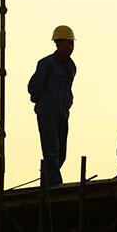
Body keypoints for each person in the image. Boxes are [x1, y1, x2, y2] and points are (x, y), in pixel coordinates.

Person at [27, 25, 76, 187]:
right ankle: (54, 185)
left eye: (71, 43)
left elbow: (67, 90)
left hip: (62, 115)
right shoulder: (46, 64)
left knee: (61, 154)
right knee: (51, 152)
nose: (70, 47)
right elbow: (33, 87)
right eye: (66, 43)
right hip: (47, 114)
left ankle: (48, 181)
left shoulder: (71, 66)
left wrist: (67, 104)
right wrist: (42, 103)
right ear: (57, 43)